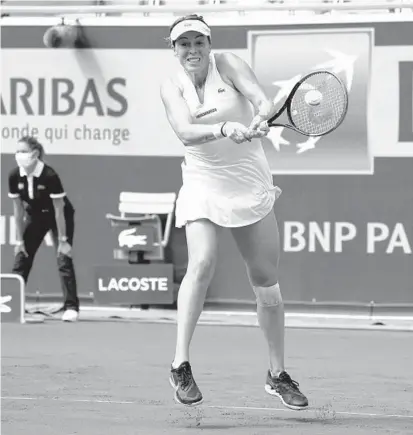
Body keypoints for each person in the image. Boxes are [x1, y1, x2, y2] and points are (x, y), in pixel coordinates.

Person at [161, 15, 309, 409]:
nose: (192, 50)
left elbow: (260, 99)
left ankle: (277, 374)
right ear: (173, 49)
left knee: (266, 282)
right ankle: (180, 364)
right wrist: (224, 128)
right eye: (183, 44)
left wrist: (261, 115)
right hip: (202, 182)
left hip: (249, 182)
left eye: (198, 42)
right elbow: (184, 130)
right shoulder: (170, 85)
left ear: (209, 44)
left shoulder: (227, 64)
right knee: (203, 261)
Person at [8, 136, 80, 322]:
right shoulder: (14, 176)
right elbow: (18, 209)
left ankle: (71, 307)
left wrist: (63, 241)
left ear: (35, 154)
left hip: (59, 216)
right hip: (35, 216)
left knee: (63, 258)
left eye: (23, 151)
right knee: (22, 257)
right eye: (17, 151)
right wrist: (19, 240)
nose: (19, 155)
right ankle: (10, 303)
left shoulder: (49, 175)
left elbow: (59, 210)